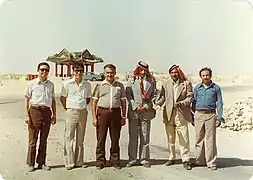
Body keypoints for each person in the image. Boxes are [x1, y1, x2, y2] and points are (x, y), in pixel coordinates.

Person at [155, 64, 193, 170]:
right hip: (168, 114)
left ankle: (185, 159)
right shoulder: (166, 83)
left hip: (181, 114)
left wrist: (181, 103)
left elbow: (190, 97)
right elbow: (162, 96)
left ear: (179, 73)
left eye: (175, 72)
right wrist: (157, 103)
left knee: (184, 138)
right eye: (172, 73)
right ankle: (171, 157)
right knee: (170, 138)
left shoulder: (186, 83)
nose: (174, 74)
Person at [91, 64, 127, 170]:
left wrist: (123, 116)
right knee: (101, 138)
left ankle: (114, 160)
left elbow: (123, 102)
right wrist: (94, 117)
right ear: (104, 73)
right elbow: (94, 102)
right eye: (107, 72)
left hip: (116, 113)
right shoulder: (99, 86)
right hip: (102, 113)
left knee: (115, 138)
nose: (109, 74)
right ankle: (100, 161)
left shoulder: (120, 85)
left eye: (111, 72)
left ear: (115, 73)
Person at [24, 62, 56, 172]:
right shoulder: (32, 84)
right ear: (38, 71)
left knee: (44, 139)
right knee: (33, 139)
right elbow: (27, 99)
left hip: (46, 112)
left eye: (46, 70)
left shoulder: (51, 85)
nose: (44, 72)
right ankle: (31, 163)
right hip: (34, 111)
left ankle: (41, 163)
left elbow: (53, 101)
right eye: (42, 70)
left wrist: (54, 114)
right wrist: (27, 115)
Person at [125, 61, 157, 168]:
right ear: (138, 69)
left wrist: (147, 106)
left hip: (146, 112)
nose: (143, 72)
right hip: (134, 112)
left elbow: (154, 95)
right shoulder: (132, 79)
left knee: (145, 136)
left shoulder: (151, 81)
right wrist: (135, 106)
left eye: (145, 70)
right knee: (133, 136)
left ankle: (144, 159)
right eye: (141, 70)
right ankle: (132, 159)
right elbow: (128, 94)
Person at [60, 63, 92, 170]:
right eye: (76, 70)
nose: (79, 73)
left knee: (80, 138)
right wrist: (69, 108)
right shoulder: (67, 83)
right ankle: (69, 162)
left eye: (81, 71)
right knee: (69, 137)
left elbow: (88, 99)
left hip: (83, 112)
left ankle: (79, 161)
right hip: (71, 112)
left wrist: (81, 106)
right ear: (73, 71)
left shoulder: (87, 84)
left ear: (83, 72)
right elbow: (63, 98)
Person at [192, 67, 224, 170]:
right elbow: (194, 102)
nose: (205, 77)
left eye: (207, 75)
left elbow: (219, 103)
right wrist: (193, 115)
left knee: (210, 140)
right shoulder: (197, 88)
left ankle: (211, 162)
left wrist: (219, 118)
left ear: (210, 75)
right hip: (198, 115)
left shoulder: (216, 88)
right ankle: (199, 161)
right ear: (200, 76)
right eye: (203, 75)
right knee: (199, 139)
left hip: (211, 115)